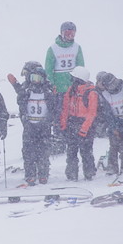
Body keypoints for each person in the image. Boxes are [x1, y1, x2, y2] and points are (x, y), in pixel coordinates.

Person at [10, 64, 57, 185]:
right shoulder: (26, 91)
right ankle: (30, 174)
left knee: (43, 151)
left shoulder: (48, 92)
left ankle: (43, 174)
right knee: (28, 151)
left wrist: (49, 121)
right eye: (33, 78)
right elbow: (20, 100)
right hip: (30, 125)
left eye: (38, 78)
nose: (36, 81)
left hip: (43, 126)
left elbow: (53, 108)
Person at [45, 21, 84, 153]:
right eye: (67, 33)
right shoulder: (53, 49)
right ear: (61, 33)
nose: (70, 36)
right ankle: (59, 139)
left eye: (72, 33)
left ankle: (73, 138)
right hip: (59, 89)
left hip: (73, 88)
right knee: (59, 114)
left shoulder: (77, 47)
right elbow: (48, 69)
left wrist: (80, 83)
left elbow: (80, 66)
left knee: (73, 114)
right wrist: (51, 85)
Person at [59, 67, 98, 181]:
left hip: (85, 125)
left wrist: (84, 129)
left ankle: (89, 173)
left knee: (86, 152)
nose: (71, 79)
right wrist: (64, 123)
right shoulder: (71, 90)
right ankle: (72, 174)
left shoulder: (91, 93)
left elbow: (92, 113)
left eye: (73, 77)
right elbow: (65, 108)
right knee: (71, 151)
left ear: (79, 79)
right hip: (72, 122)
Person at [96, 72, 123, 175]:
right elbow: (108, 114)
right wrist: (113, 128)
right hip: (115, 122)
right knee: (113, 146)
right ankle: (112, 168)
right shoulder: (105, 95)